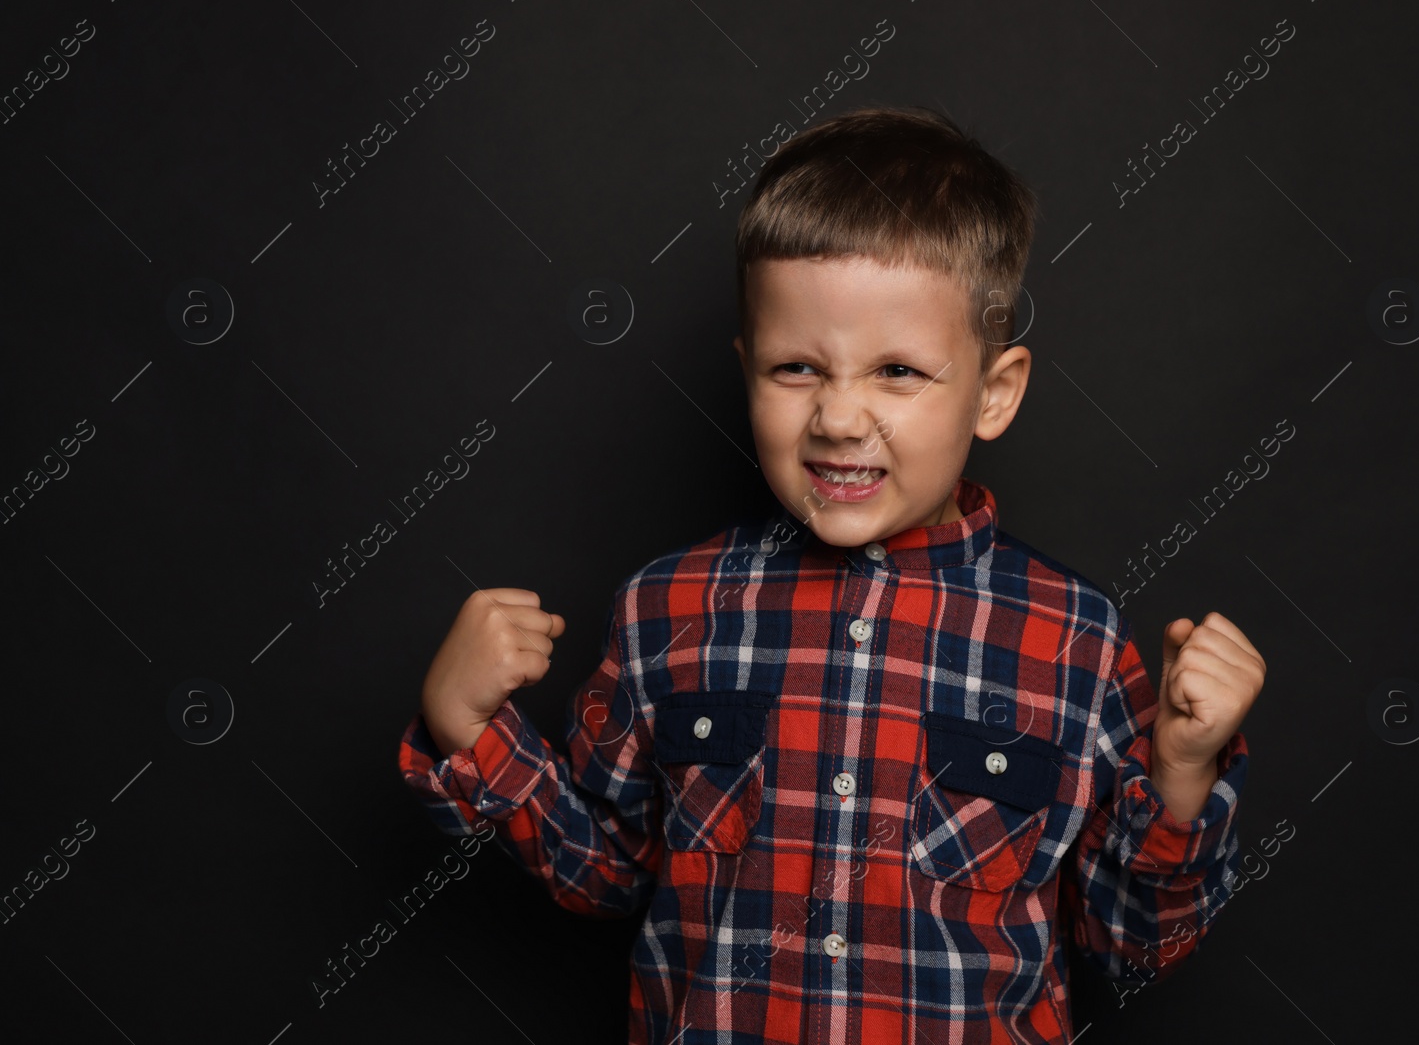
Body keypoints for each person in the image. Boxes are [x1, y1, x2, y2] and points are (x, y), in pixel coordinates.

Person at [398, 104, 1266, 1044]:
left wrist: (1181, 774)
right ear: (746, 369)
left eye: (897, 370)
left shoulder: (1076, 638)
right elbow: (607, 870)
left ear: (995, 391)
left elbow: (1130, 939)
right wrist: (471, 731)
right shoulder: (666, 609)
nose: (841, 418)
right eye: (797, 368)